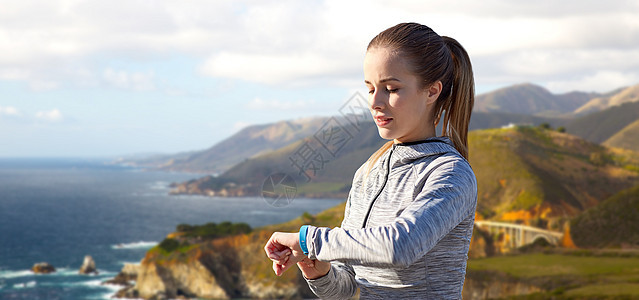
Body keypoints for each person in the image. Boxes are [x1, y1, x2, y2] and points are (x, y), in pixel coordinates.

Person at [264, 22, 477, 299]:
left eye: (391, 88)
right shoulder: (369, 172)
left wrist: (309, 241)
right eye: (370, 88)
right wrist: (317, 268)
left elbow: (399, 246)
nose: (375, 102)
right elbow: (344, 288)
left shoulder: (450, 173)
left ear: (432, 91)